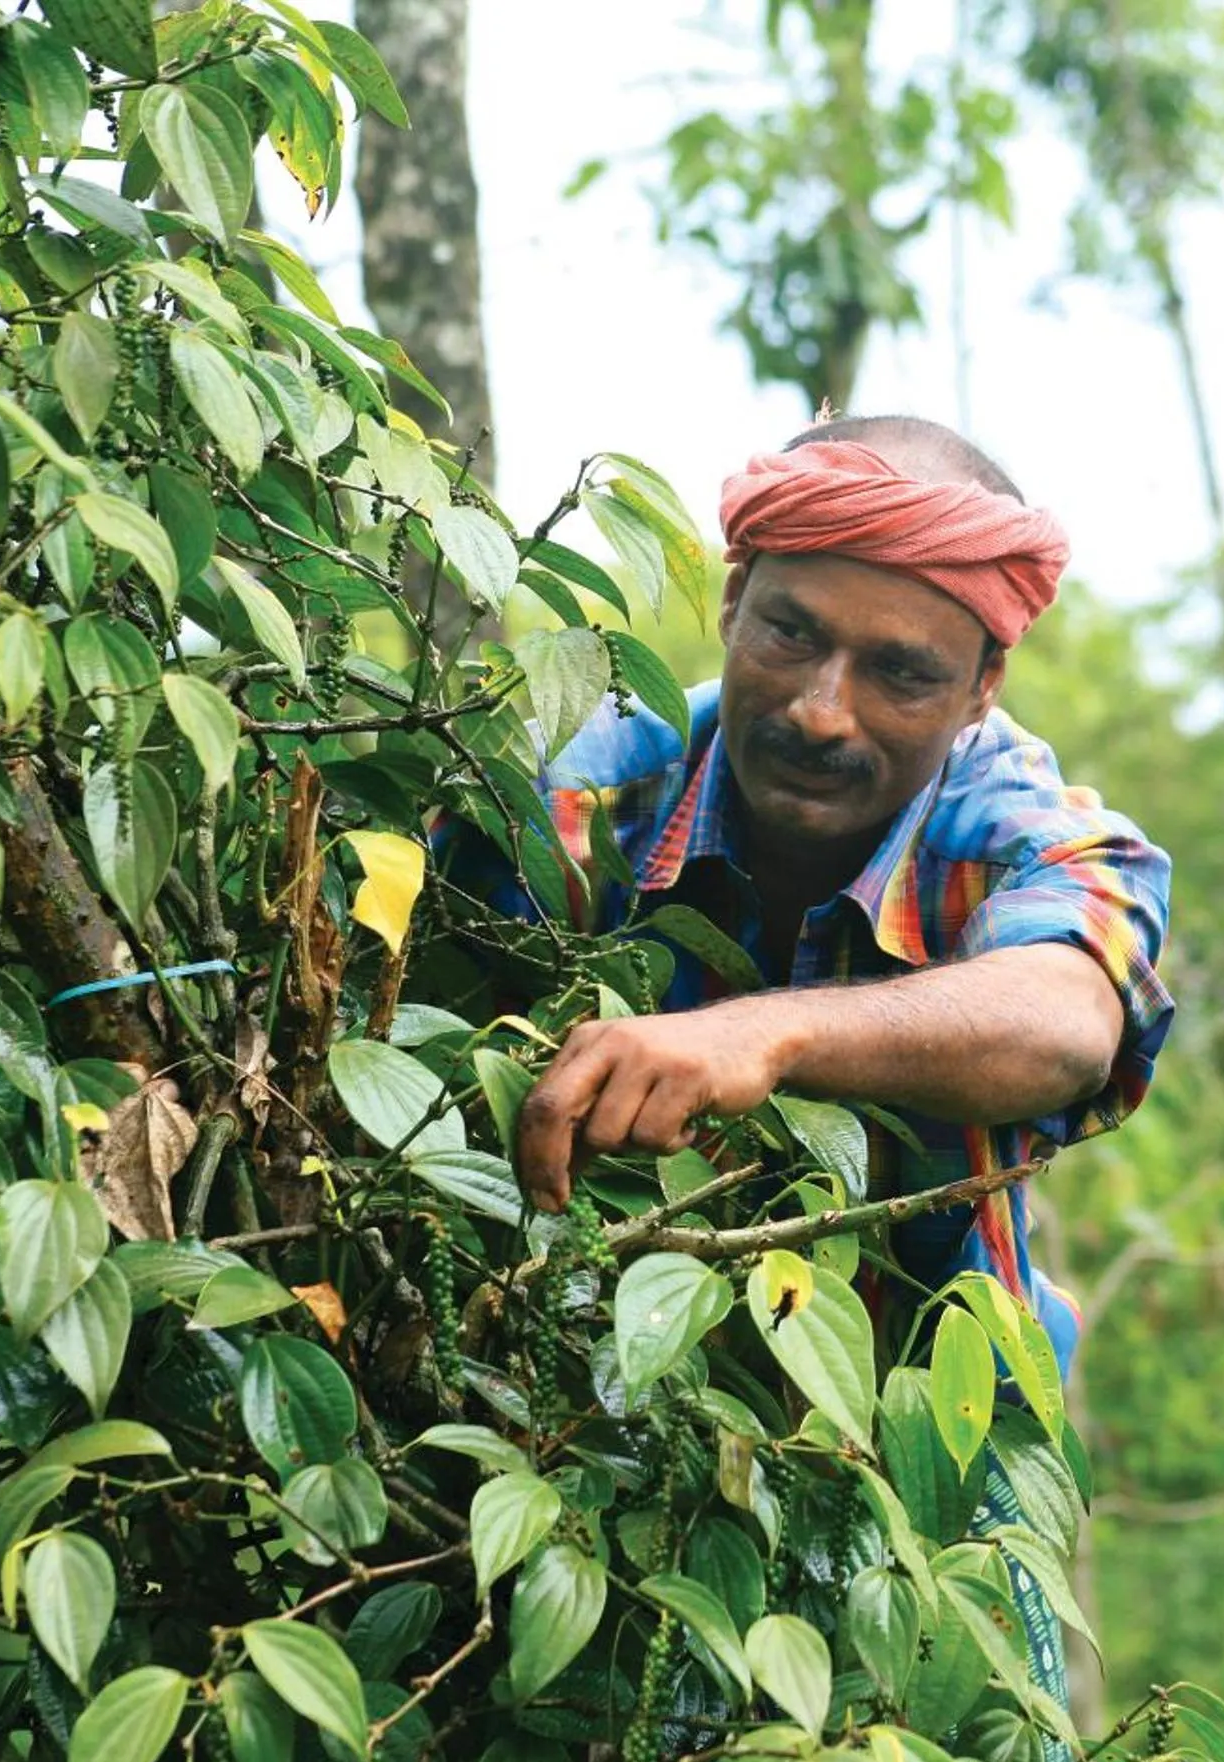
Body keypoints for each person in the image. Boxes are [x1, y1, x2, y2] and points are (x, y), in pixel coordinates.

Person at [502, 416, 1176, 1386]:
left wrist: (764, 1035)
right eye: (792, 634)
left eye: (901, 673)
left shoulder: (1025, 835)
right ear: (733, 602)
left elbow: (1066, 1025)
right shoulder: (569, 791)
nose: (821, 712)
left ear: (982, 686)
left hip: (930, 1431)